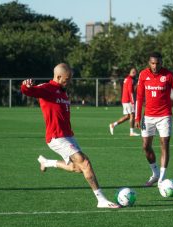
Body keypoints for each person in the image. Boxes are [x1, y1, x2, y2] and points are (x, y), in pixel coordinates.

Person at [20, 63, 120, 209]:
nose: (70, 81)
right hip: (56, 137)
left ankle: (47, 162)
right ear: (59, 77)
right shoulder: (47, 88)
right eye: (67, 79)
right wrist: (26, 85)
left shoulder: (63, 91)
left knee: (78, 168)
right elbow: (28, 91)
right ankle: (101, 200)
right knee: (85, 162)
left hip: (68, 136)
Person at [135, 52, 173, 187]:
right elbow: (139, 97)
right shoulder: (143, 75)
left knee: (164, 143)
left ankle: (162, 179)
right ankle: (155, 173)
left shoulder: (168, 75)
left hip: (164, 116)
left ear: (161, 63)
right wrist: (137, 116)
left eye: (158, 63)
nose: (155, 66)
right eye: (152, 63)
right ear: (148, 63)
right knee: (146, 146)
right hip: (148, 116)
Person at [109, 68, 140, 136]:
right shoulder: (130, 80)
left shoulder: (127, 79)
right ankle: (131, 132)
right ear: (133, 72)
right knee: (132, 115)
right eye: (136, 73)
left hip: (125, 100)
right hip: (128, 100)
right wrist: (132, 101)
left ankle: (113, 125)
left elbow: (131, 90)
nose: (136, 74)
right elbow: (130, 92)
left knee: (128, 116)